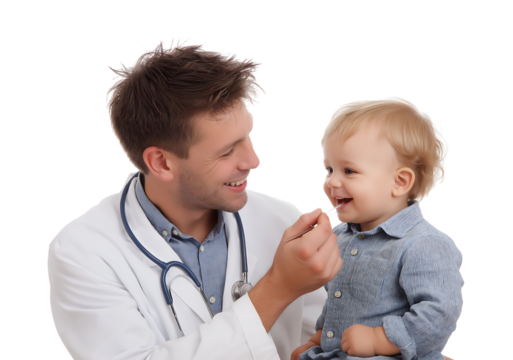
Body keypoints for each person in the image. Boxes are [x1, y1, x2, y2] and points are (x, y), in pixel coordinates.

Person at [47, 37, 342, 360]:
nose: (253, 161)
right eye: (227, 151)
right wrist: (278, 288)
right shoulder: (83, 251)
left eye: (249, 136)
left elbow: (315, 342)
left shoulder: (281, 218)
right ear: (162, 163)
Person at [290, 96, 464, 360]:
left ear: (400, 182)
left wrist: (381, 339)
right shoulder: (339, 238)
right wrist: (320, 337)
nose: (332, 181)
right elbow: (339, 300)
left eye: (349, 171)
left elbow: (439, 313)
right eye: (329, 169)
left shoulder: (424, 243)